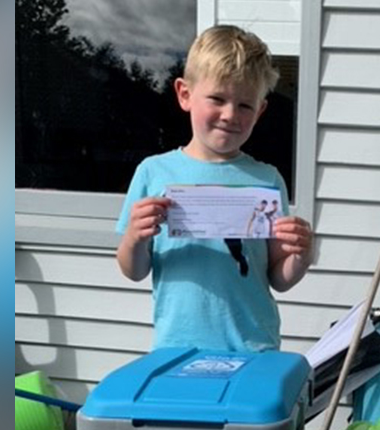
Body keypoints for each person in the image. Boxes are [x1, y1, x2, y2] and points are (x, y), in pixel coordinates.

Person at [115, 25, 313, 352]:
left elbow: (279, 278)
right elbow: (133, 270)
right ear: (185, 95)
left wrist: (301, 256)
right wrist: (135, 236)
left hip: (255, 346)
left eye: (245, 105)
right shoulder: (154, 172)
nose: (230, 114)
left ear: (261, 110)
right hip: (177, 348)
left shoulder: (267, 179)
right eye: (217, 98)